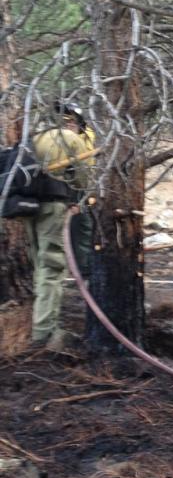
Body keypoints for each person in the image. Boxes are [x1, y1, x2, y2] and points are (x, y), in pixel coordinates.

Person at [26, 105, 92, 351]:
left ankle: (37, 315)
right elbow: (82, 179)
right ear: (74, 122)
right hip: (53, 207)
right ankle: (43, 331)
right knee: (52, 267)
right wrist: (78, 201)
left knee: (38, 262)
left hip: (28, 206)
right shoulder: (72, 139)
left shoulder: (35, 137)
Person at [55, 100, 95, 278]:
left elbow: (85, 163)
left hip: (82, 186)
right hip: (63, 186)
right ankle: (69, 266)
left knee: (83, 225)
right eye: (65, 121)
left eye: (71, 121)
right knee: (66, 226)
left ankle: (83, 266)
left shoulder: (86, 136)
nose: (68, 125)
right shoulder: (59, 138)